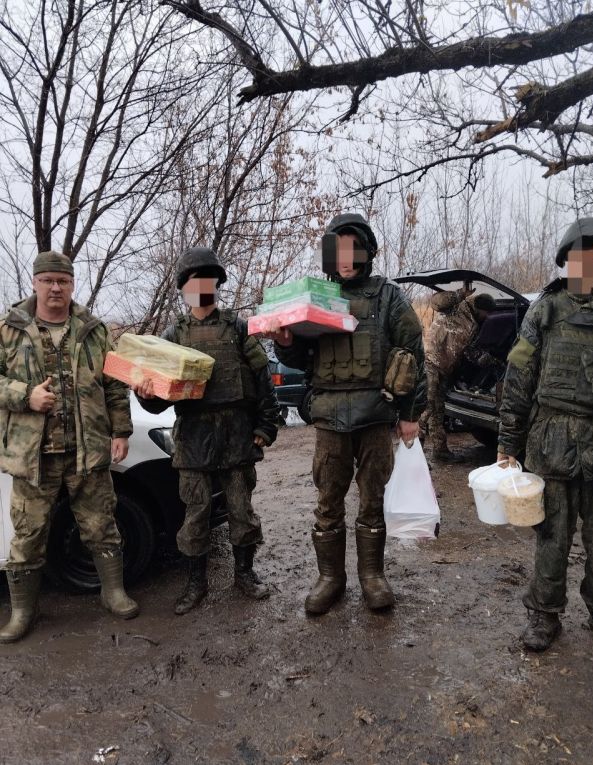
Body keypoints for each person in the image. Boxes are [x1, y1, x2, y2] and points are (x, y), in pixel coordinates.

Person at [269, 213, 426, 614]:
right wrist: (285, 342)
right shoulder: (317, 297)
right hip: (330, 420)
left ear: (367, 252)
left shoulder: (388, 297)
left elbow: (412, 355)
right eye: (337, 250)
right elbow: (300, 358)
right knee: (328, 500)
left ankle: (372, 576)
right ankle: (330, 578)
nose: (344, 258)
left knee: (373, 499)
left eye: (352, 249)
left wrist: (410, 414)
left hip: (375, 416)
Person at [0, 251, 137, 643]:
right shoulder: (9, 329)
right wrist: (26, 395)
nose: (55, 287)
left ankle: (113, 592)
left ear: (72, 284)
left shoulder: (94, 330)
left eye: (62, 280)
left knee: (101, 524)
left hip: (86, 451)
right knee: (28, 534)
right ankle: (23, 611)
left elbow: (114, 384)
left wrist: (121, 431)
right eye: (48, 280)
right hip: (34, 455)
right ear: (35, 283)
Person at [135, 247, 279, 615]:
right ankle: (196, 582)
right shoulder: (173, 335)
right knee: (195, 514)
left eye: (208, 280)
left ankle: (244, 574)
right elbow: (158, 401)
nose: (201, 287)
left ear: (217, 284)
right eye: (194, 281)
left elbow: (262, 380)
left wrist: (265, 427)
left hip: (237, 437)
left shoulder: (238, 329)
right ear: (183, 287)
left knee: (241, 510)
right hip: (194, 439)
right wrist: (145, 394)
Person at [497, 217, 593, 651]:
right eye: (584, 255)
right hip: (552, 441)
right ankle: (544, 614)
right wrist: (508, 443)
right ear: (568, 260)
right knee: (552, 537)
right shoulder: (545, 310)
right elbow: (519, 378)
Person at [420, 287, 497, 462]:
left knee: (438, 412)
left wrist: (488, 360)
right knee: (424, 411)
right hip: (430, 365)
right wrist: (459, 294)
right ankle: (412, 458)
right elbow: (436, 302)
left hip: (445, 370)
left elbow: (468, 350)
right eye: (486, 314)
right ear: (480, 308)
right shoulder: (457, 306)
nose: (487, 317)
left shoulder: (474, 324)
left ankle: (440, 452)